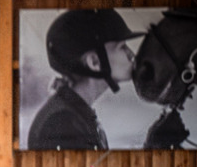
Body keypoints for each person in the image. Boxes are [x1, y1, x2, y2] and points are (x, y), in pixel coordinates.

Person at [28, 9, 142, 150]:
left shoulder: (73, 115)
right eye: (122, 47)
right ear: (94, 62)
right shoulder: (63, 123)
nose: (132, 55)